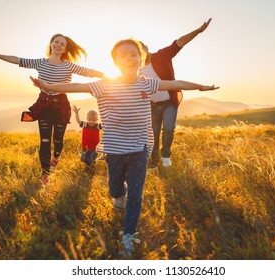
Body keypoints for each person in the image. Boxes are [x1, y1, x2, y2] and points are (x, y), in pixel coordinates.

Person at [30, 39, 219, 257]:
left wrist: (199, 86)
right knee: (115, 189)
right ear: (115, 62)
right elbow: (74, 86)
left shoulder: (147, 83)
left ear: (141, 59)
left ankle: (129, 235)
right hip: (114, 150)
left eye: (134, 54)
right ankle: (119, 196)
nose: (130, 58)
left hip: (140, 148)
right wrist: (48, 86)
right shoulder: (104, 85)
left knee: (136, 196)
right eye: (124, 55)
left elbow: (175, 83)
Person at [0, 34, 105, 186]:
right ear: (51, 43)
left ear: (65, 49)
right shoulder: (40, 63)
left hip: (61, 106)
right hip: (44, 106)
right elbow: (17, 60)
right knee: (45, 141)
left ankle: (56, 157)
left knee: (58, 141)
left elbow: (88, 72)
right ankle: (45, 174)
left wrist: (110, 77)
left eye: (62, 44)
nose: (59, 45)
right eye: (57, 42)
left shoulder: (68, 66)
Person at [139, 18, 212, 168]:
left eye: (140, 49)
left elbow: (179, 43)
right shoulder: (137, 70)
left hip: (169, 103)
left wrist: (198, 31)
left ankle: (165, 155)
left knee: (169, 129)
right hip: (151, 106)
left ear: (145, 48)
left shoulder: (161, 56)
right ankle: (153, 162)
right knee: (152, 135)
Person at [71, 105, 102, 171]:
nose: (92, 121)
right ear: (87, 119)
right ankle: (90, 165)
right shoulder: (85, 124)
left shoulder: (97, 126)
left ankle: (91, 168)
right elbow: (78, 121)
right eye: (90, 119)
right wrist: (76, 113)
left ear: (97, 119)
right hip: (85, 147)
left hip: (95, 148)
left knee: (91, 159)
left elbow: (105, 124)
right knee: (83, 159)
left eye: (94, 120)